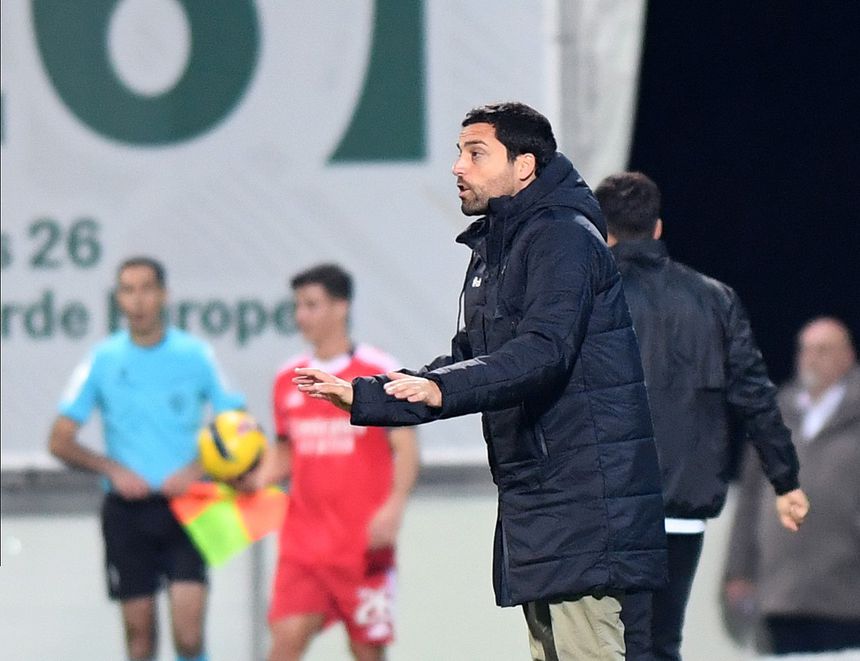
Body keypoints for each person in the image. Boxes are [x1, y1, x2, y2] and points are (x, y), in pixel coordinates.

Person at [292, 102, 667, 660]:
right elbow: (468, 359)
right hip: (540, 498)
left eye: (475, 153)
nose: (457, 167)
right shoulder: (501, 244)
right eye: (458, 152)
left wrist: (443, 388)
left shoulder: (562, 238)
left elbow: (544, 352)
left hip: (582, 500)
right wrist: (366, 394)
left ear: (525, 167)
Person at [592, 171, 809, 660]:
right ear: (658, 228)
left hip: (612, 503)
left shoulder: (591, 298)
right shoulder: (714, 299)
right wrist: (786, 480)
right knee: (664, 641)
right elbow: (754, 393)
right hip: (684, 502)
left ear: (603, 231)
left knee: (617, 644)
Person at [48, 256, 246, 661]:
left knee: (188, 634)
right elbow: (60, 439)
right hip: (128, 512)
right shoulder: (103, 359)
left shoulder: (195, 355)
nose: (137, 300)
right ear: (118, 298)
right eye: (127, 290)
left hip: (190, 506)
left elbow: (241, 427)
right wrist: (112, 469)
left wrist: (197, 469)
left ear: (163, 295)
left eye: (145, 289)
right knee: (139, 638)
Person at [247, 263, 419, 661]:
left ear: (341, 307)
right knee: (283, 645)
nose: (301, 316)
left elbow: (406, 447)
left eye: (312, 305)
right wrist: (255, 479)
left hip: (363, 546)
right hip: (303, 546)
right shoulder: (287, 377)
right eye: (298, 306)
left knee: (367, 652)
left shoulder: (379, 371)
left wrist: (394, 507)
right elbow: (287, 450)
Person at [723, 317, 860, 656]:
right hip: (780, 592)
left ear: (848, 356)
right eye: (806, 349)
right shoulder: (776, 413)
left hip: (845, 595)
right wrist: (738, 571)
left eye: (823, 349)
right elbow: (750, 501)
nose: (811, 358)